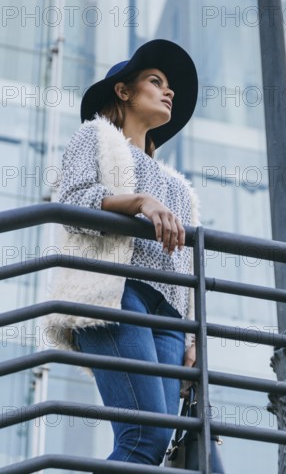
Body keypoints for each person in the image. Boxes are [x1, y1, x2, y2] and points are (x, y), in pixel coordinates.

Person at [45, 39, 200, 466]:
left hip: (167, 315)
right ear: (123, 91)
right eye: (156, 81)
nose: (169, 91)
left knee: (156, 442)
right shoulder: (94, 136)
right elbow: (73, 202)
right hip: (115, 294)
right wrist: (137, 202)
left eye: (170, 86)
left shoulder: (177, 183)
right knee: (144, 435)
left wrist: (191, 336)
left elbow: (187, 260)